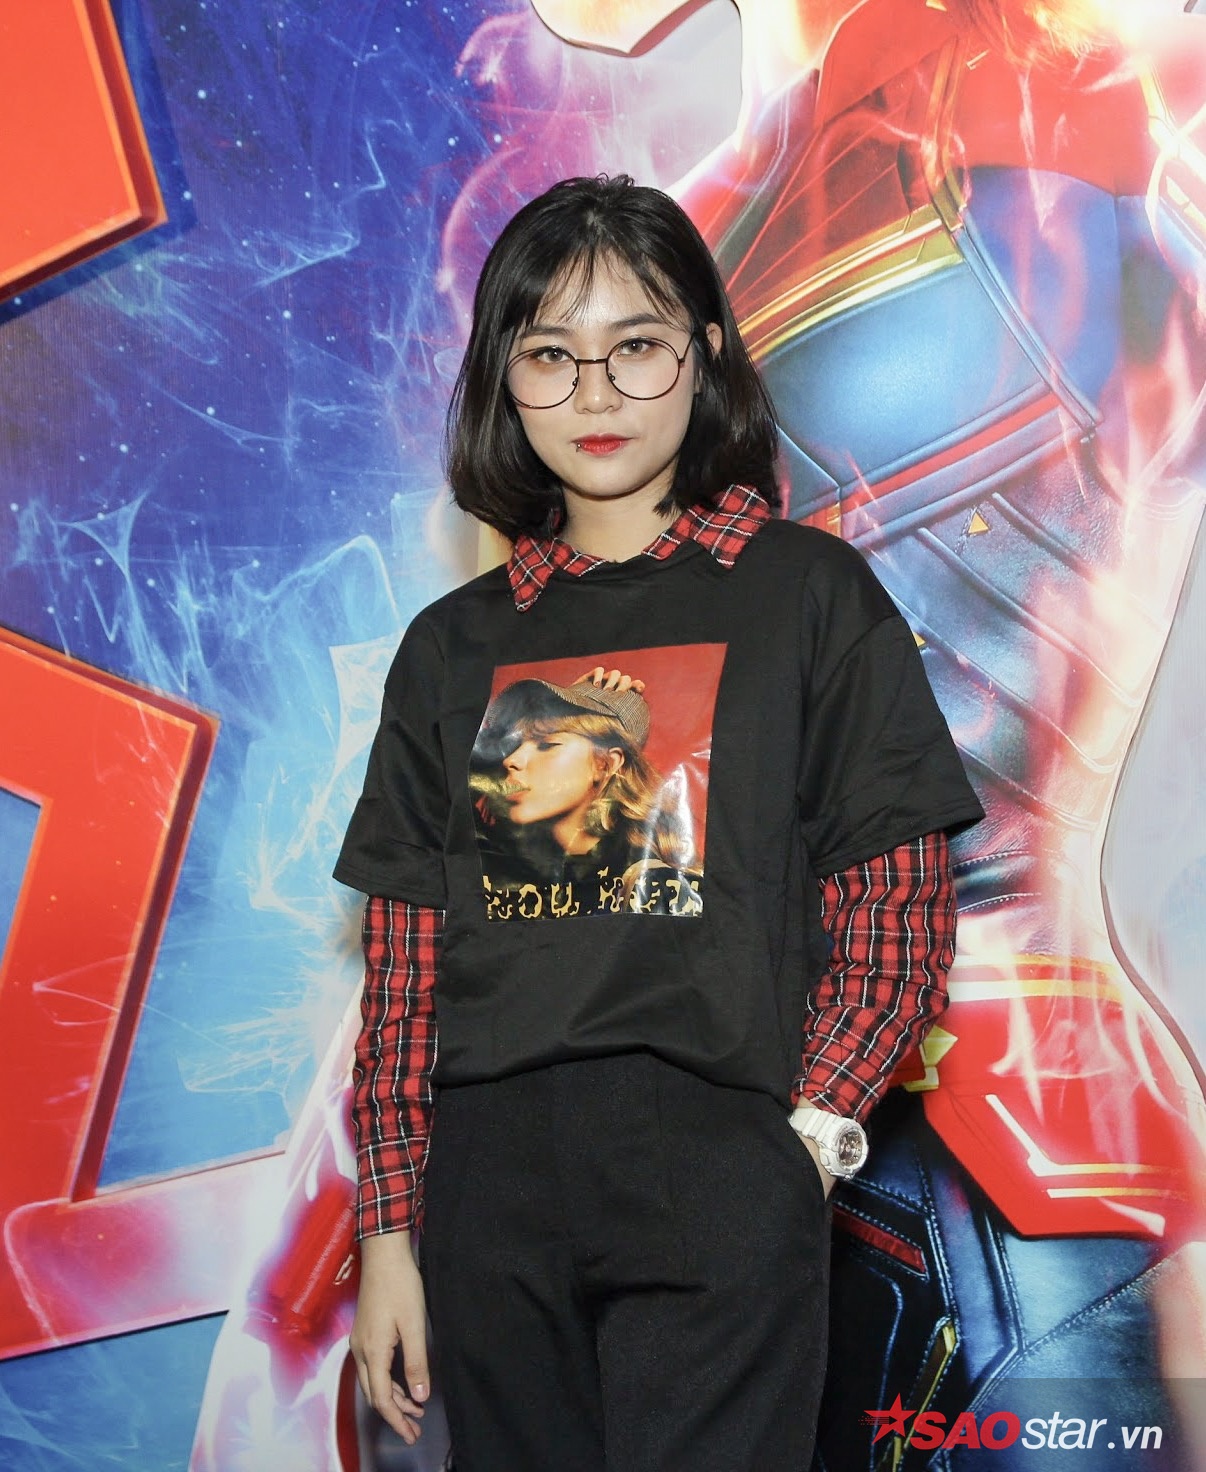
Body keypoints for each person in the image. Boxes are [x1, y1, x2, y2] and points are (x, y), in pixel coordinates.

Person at [333, 172, 983, 1472]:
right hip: (489, 1190)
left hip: (721, 1164)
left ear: (707, 354)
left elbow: (897, 906)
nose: (595, 393)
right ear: (503, 379)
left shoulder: (809, 594)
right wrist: (390, 1234)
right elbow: (405, 970)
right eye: (550, 356)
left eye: (635, 347)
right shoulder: (451, 645)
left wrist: (800, 1149)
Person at [470, 672, 703, 918]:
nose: (511, 760)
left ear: (605, 765)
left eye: (546, 745)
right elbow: (450, 804)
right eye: (515, 745)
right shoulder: (503, 863)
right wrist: (560, 702)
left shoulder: (657, 886)